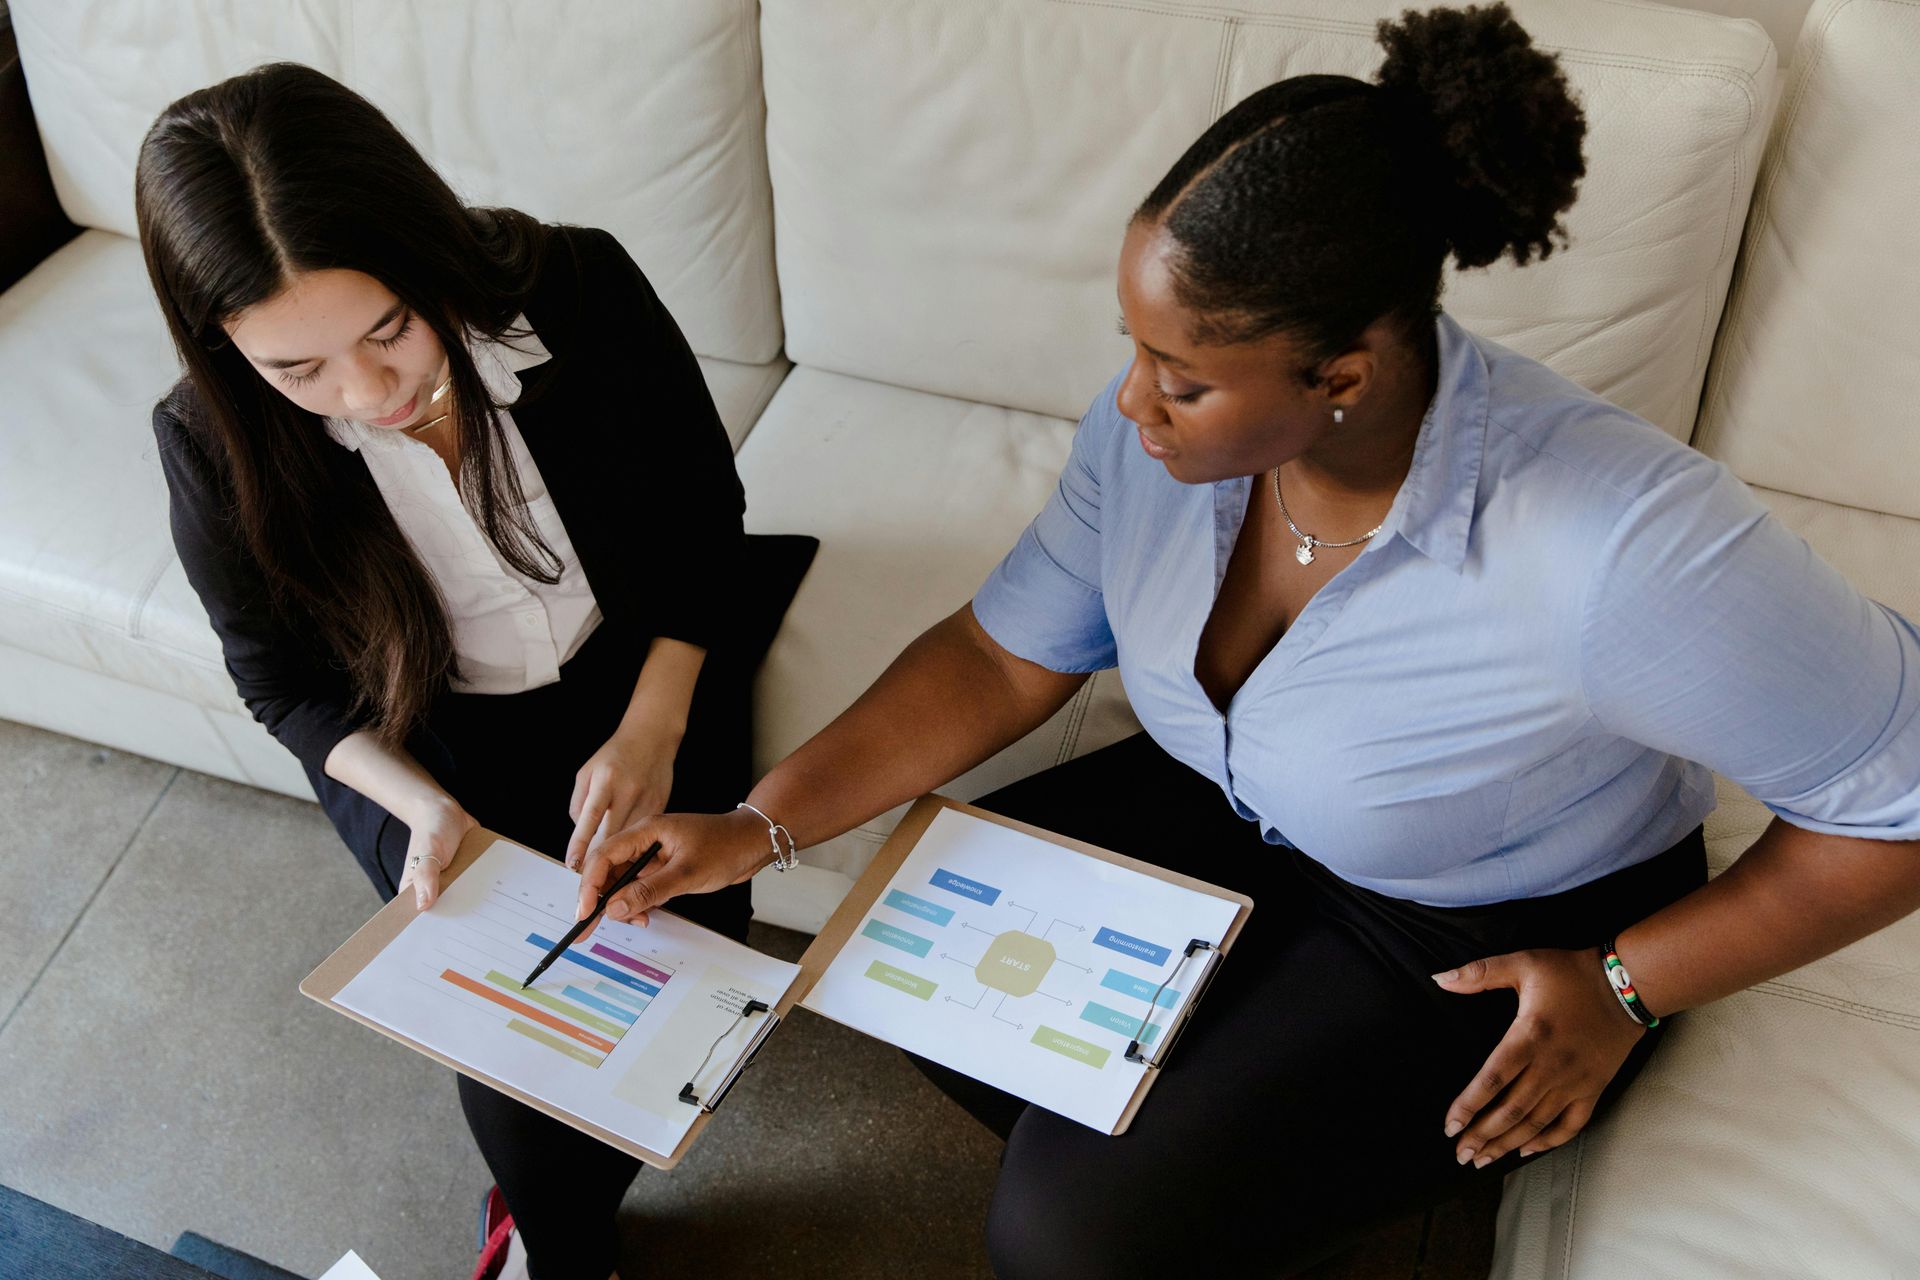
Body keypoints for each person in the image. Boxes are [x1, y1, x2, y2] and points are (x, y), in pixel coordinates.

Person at [575, 5, 1920, 1275]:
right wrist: (758, 826)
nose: (1129, 402)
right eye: (1136, 350)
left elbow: (1901, 802)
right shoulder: (1150, 443)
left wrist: (1626, 984)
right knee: (899, 963)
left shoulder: (1619, 545)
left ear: (1343, 379)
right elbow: (999, 656)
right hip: (1232, 795)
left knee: (1065, 1238)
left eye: (1184, 379)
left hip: (1476, 909)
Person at [136, 63, 813, 1280]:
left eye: (388, 328)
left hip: (635, 667)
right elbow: (279, 681)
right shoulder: (209, 439)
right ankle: (556, 1239)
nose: (371, 394)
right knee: (518, 1076)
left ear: (423, 243)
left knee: (687, 945)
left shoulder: (580, 286)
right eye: (300, 372)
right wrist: (421, 807)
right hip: (421, 743)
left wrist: (658, 725)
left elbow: (705, 516)